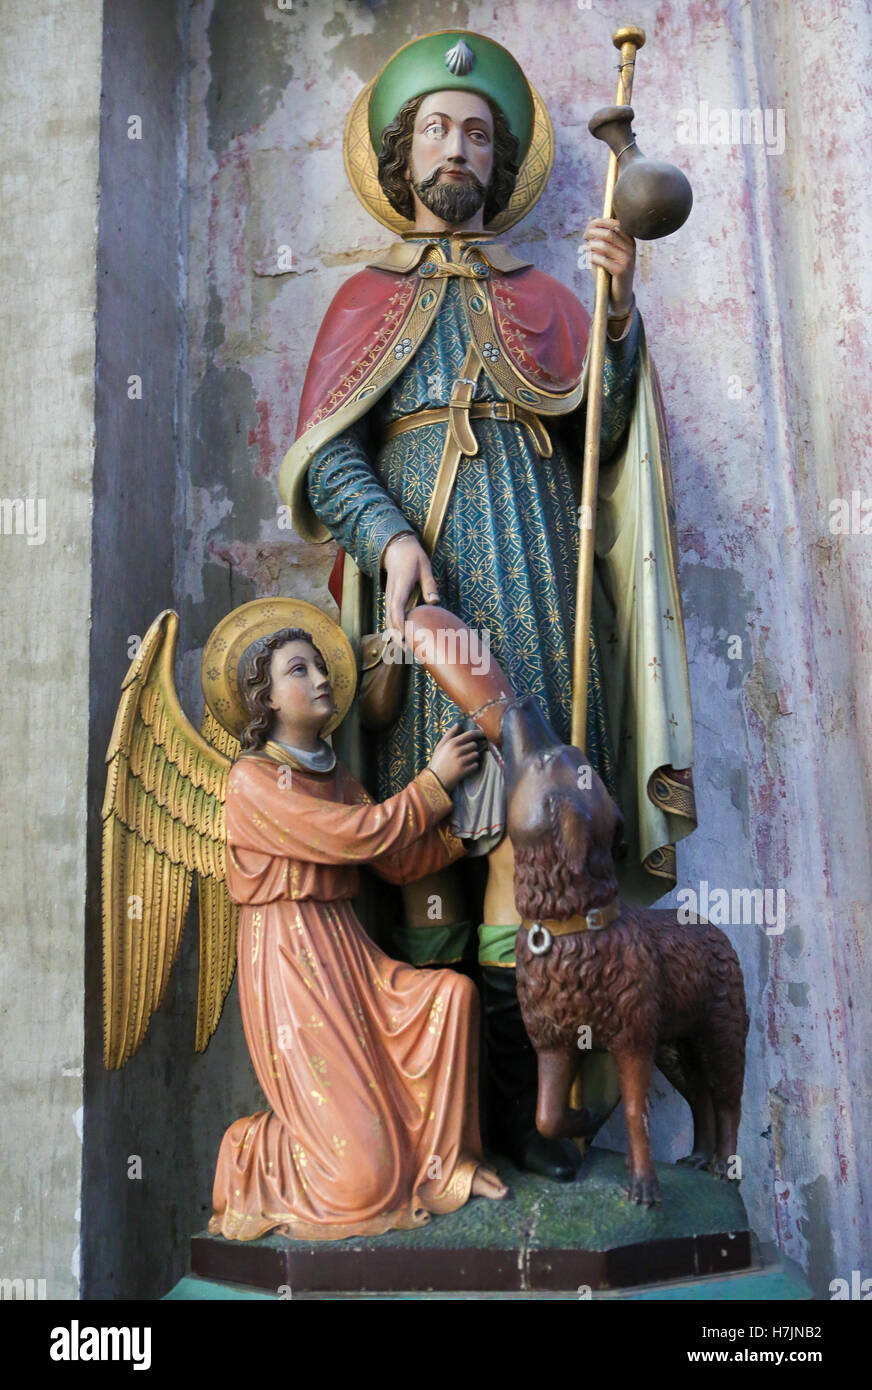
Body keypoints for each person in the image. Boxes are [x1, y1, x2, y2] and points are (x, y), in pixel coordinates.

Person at [278, 31, 697, 1179]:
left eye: (474, 131)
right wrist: (389, 533)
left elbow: (604, 441)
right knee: (429, 860)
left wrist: (613, 316)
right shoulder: (365, 302)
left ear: (500, 159)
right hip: (421, 618)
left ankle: (533, 1126)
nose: (455, 148)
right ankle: (440, 1131)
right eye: (434, 129)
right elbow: (327, 459)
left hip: (538, 598)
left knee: (543, 871)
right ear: (401, 156)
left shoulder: (548, 301)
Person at [209, 621, 507, 1242]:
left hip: (346, 951)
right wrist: (434, 783)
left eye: (321, 667)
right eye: (300, 670)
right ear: (264, 698)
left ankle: (447, 1165)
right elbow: (358, 835)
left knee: (452, 999)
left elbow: (394, 862)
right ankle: (253, 1153)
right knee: (362, 1183)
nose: (321, 679)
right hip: (292, 963)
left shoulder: (335, 774)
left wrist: (469, 830)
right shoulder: (253, 781)